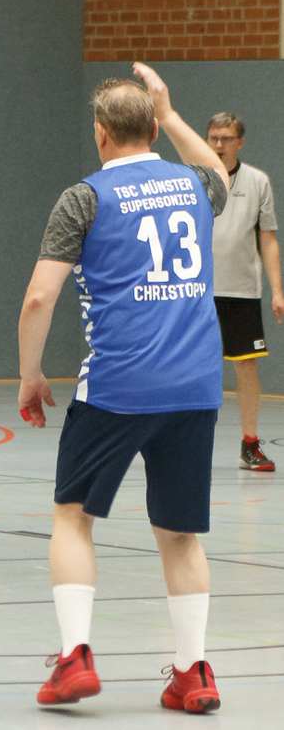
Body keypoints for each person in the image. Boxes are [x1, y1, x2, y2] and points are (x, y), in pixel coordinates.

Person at [18, 63, 227, 712]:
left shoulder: (83, 197)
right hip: (195, 385)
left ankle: (74, 655)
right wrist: (168, 111)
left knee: (72, 517)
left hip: (117, 383)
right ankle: (191, 670)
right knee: (179, 534)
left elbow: (38, 297)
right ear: (153, 129)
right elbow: (220, 176)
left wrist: (29, 372)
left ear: (101, 132)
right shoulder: (192, 185)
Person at [205, 112, 284, 471]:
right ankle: (181, 445)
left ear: (240, 142)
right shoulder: (195, 179)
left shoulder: (257, 182)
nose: (219, 145)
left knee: (246, 367)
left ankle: (249, 445)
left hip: (241, 292)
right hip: (198, 291)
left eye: (226, 138)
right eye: (213, 138)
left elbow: (268, 240)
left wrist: (277, 290)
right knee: (189, 368)